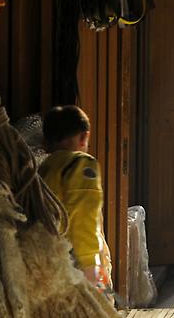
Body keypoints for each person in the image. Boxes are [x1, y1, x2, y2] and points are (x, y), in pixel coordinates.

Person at [38, 105, 112, 292]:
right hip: (75, 261)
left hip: (46, 259)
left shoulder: (43, 169)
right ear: (83, 137)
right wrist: (93, 265)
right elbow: (83, 217)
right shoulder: (81, 164)